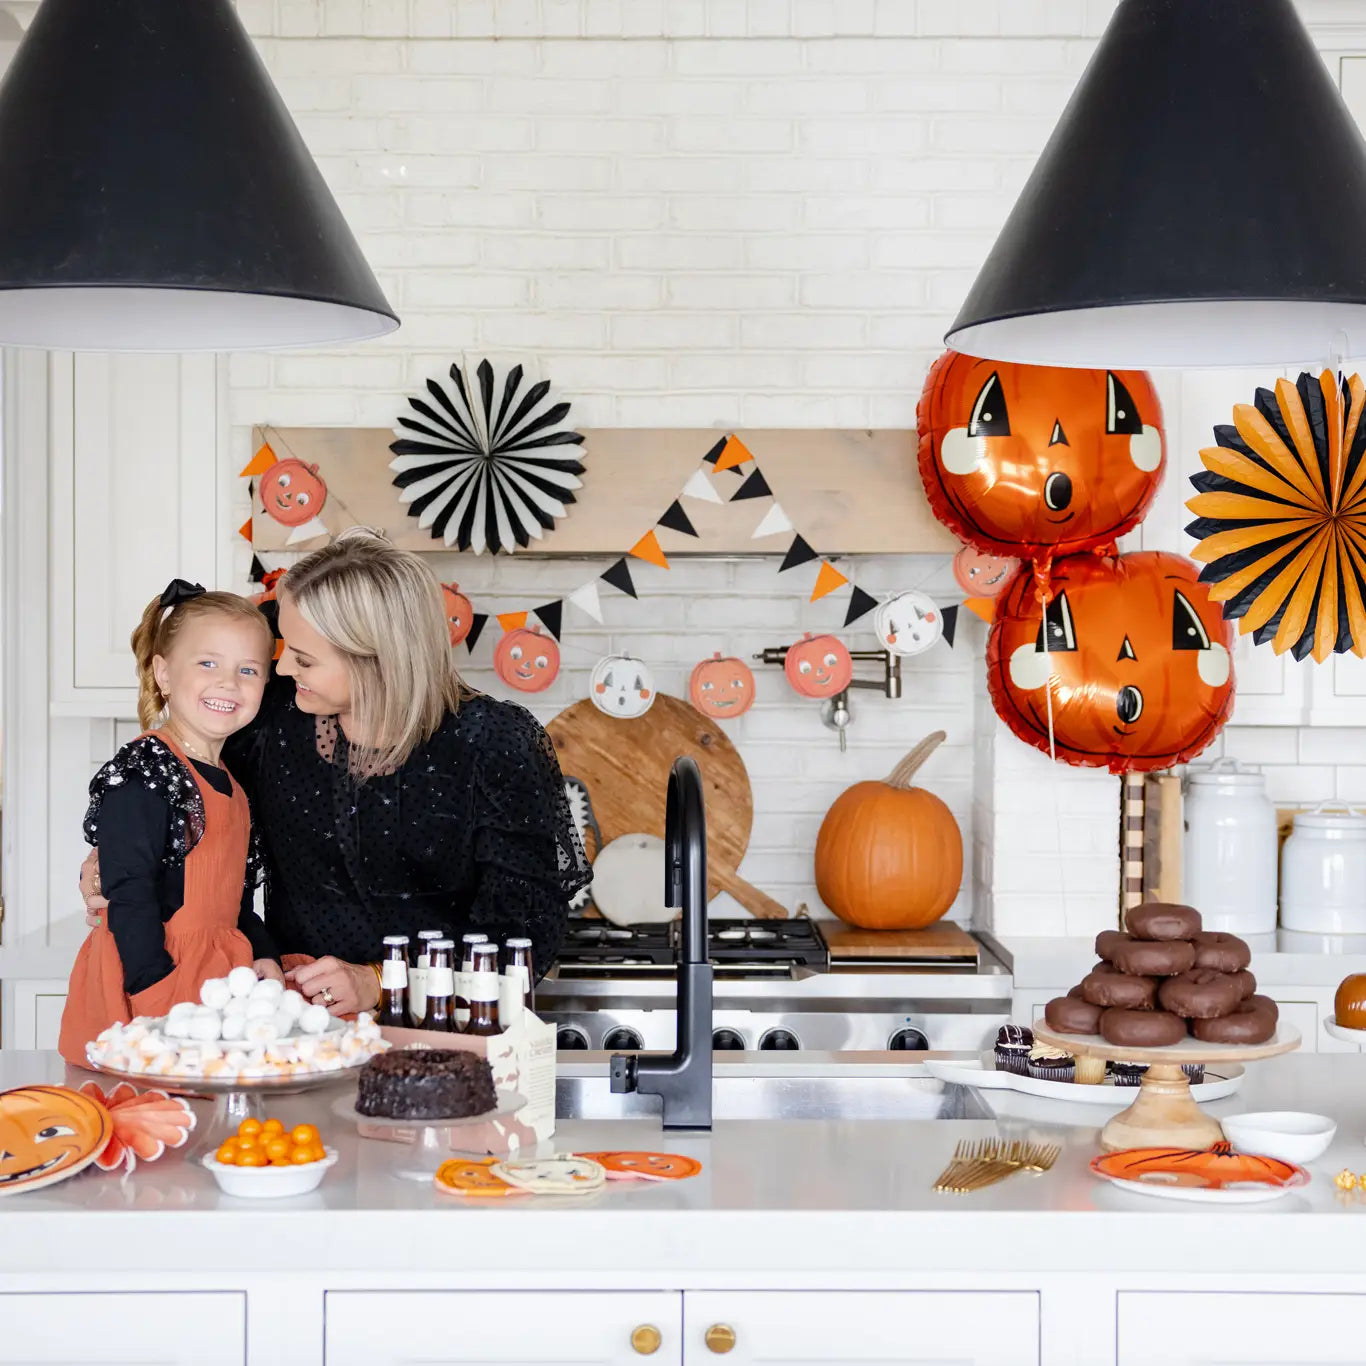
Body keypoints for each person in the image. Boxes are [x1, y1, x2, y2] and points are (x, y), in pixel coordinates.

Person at [82, 529, 589, 1018]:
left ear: (376, 662)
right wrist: (116, 853)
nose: (281, 671)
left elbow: (524, 938)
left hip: (443, 1029)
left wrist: (379, 980)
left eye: (301, 658)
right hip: (294, 1027)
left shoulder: (494, 744)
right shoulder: (274, 719)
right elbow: (191, 804)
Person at [59, 581, 278, 1065]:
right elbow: (129, 893)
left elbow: (237, 901)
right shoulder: (147, 770)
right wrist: (153, 990)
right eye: (208, 663)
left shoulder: (235, 787)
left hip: (220, 982)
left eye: (248, 669)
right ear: (163, 672)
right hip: (151, 979)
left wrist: (265, 956)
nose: (228, 682)